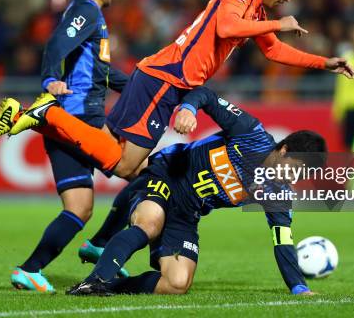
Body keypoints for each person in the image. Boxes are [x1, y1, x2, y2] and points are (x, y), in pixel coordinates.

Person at [1, 0, 353, 181]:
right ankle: (46, 115)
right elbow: (227, 26)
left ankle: (35, 120)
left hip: (163, 77)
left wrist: (325, 63)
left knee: (115, 154)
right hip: (166, 79)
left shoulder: (256, 11)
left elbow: (274, 52)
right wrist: (281, 23)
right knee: (126, 165)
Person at [64, 86, 327, 296]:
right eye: (296, 168)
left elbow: (282, 241)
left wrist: (299, 288)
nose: (295, 177)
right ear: (284, 150)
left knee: (177, 284)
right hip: (167, 175)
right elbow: (207, 95)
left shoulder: (277, 194)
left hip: (188, 212)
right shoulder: (251, 135)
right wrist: (189, 108)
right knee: (150, 223)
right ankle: (95, 280)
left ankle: (110, 287)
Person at [0, 0, 129, 293]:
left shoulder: (86, 12)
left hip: (69, 123)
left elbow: (104, 75)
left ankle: (30, 270)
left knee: (79, 207)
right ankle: (102, 245)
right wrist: (49, 79)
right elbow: (57, 44)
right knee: (142, 172)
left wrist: (146, 86)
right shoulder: (87, 11)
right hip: (79, 120)